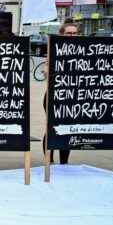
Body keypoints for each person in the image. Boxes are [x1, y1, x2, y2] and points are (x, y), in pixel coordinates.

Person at [42, 21, 79, 165]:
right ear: (62, 34)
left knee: (68, 129)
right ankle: (49, 161)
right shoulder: (54, 49)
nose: (72, 36)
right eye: (68, 33)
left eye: (74, 33)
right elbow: (46, 71)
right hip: (54, 95)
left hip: (74, 97)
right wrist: (47, 70)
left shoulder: (85, 49)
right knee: (51, 127)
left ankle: (64, 163)